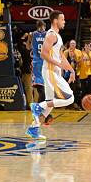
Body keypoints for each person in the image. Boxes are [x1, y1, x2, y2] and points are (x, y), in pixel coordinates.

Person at [26, 11, 75, 140]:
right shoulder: (52, 35)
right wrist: (59, 64)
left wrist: (71, 70)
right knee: (70, 99)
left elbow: (61, 56)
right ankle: (37, 106)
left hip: (53, 72)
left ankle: (34, 128)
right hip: (50, 72)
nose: (64, 21)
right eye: (62, 19)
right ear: (55, 21)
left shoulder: (58, 36)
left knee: (49, 105)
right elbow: (43, 54)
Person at [31, 20, 53, 125]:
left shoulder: (33, 34)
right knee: (43, 90)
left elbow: (27, 47)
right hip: (42, 63)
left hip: (39, 63)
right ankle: (40, 113)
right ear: (43, 26)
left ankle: (43, 114)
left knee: (45, 90)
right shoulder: (48, 34)